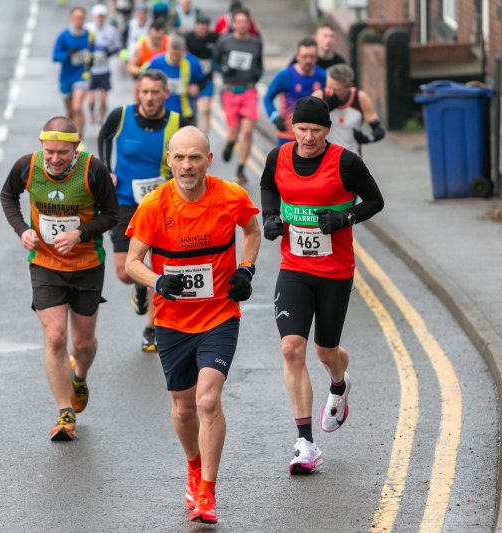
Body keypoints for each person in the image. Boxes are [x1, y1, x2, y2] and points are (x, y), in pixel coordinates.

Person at [125, 126, 261, 524]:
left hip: (220, 315)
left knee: (207, 401)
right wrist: (157, 280)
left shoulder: (230, 196)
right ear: (169, 160)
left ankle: (208, 493)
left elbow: (251, 232)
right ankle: (193, 465)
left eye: (195, 157)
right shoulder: (153, 206)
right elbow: (133, 261)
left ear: (208, 161)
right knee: (184, 409)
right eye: (180, 157)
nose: (187, 165)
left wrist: (246, 269)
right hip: (172, 321)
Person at [259, 97, 383, 473]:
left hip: (335, 271)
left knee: (326, 352)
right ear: (292, 127)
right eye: (302, 129)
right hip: (294, 267)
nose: (308, 137)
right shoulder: (277, 157)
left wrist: (345, 216)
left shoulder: (345, 162)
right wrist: (269, 219)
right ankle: (305, 443)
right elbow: (268, 187)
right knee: (291, 348)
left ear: (327, 130)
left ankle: (340, 384)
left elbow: (375, 200)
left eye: (316, 130)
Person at [0, 116, 119, 442]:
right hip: (45, 263)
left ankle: (79, 377)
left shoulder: (92, 171)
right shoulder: (27, 166)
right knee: (55, 337)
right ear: (42, 147)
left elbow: (112, 215)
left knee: (82, 343)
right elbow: (7, 196)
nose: (54, 159)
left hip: (87, 264)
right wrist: (22, 229)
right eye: (49, 151)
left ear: (75, 149)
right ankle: (65, 412)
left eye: (62, 153)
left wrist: (80, 233)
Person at [98, 70, 192, 351]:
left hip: (163, 204)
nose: (149, 98)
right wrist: (107, 169)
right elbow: (104, 137)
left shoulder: (179, 123)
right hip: (124, 202)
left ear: (166, 94)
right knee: (125, 272)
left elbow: (192, 157)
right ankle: (141, 284)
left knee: (162, 266)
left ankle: (152, 327)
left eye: (155, 92)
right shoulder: (121, 116)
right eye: (145, 92)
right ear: (138, 92)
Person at [213, 7, 263, 184]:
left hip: (249, 90)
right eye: (239, 22)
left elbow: (259, 65)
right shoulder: (224, 41)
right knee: (233, 132)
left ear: (249, 24)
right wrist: (225, 69)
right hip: (230, 91)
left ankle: (241, 168)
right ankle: (230, 143)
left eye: (245, 22)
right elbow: (215, 63)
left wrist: (256, 75)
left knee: (248, 131)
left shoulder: (256, 42)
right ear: (233, 24)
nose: (242, 25)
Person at [263, 37, 326, 146]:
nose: (308, 60)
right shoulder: (285, 75)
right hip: (288, 135)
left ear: (316, 57)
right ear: (297, 56)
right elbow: (268, 98)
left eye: (312, 56)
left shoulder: (323, 76)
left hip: (314, 138)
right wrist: (275, 117)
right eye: (305, 56)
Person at [312, 64, 385, 155]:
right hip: (325, 158)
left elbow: (379, 130)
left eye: (337, 89)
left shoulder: (360, 98)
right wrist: (325, 108)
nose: (331, 92)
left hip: (352, 159)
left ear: (349, 86)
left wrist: (366, 138)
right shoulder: (319, 96)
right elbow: (305, 125)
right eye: (329, 86)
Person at [143, 33, 206, 123]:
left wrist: (196, 86)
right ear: (167, 48)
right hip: (161, 111)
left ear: (184, 50)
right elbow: (145, 80)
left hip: (185, 112)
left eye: (178, 55)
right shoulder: (156, 62)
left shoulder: (193, 62)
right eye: (172, 54)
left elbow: (202, 81)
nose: (175, 58)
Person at [52, 7, 94, 141]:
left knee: (77, 107)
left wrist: (91, 58)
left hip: (82, 76)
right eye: (76, 18)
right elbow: (55, 56)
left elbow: (94, 54)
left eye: (81, 18)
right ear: (71, 19)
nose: (79, 21)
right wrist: (68, 55)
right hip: (66, 77)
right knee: (70, 111)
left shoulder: (89, 35)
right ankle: (69, 136)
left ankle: (79, 138)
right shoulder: (63, 36)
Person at [85, 4, 122, 124]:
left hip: (104, 70)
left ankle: (100, 118)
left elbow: (117, 47)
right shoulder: (87, 29)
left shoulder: (111, 30)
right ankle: (91, 112)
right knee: (91, 100)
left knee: (104, 100)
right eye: (98, 16)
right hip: (90, 70)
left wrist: (110, 52)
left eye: (102, 16)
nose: (100, 19)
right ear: (94, 17)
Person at [185, 15, 218, 135]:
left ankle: (204, 138)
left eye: (205, 28)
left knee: (205, 109)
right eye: (200, 28)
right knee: (191, 110)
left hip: (207, 79)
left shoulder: (214, 38)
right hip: (191, 79)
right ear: (195, 27)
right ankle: (193, 134)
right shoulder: (188, 38)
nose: (202, 31)